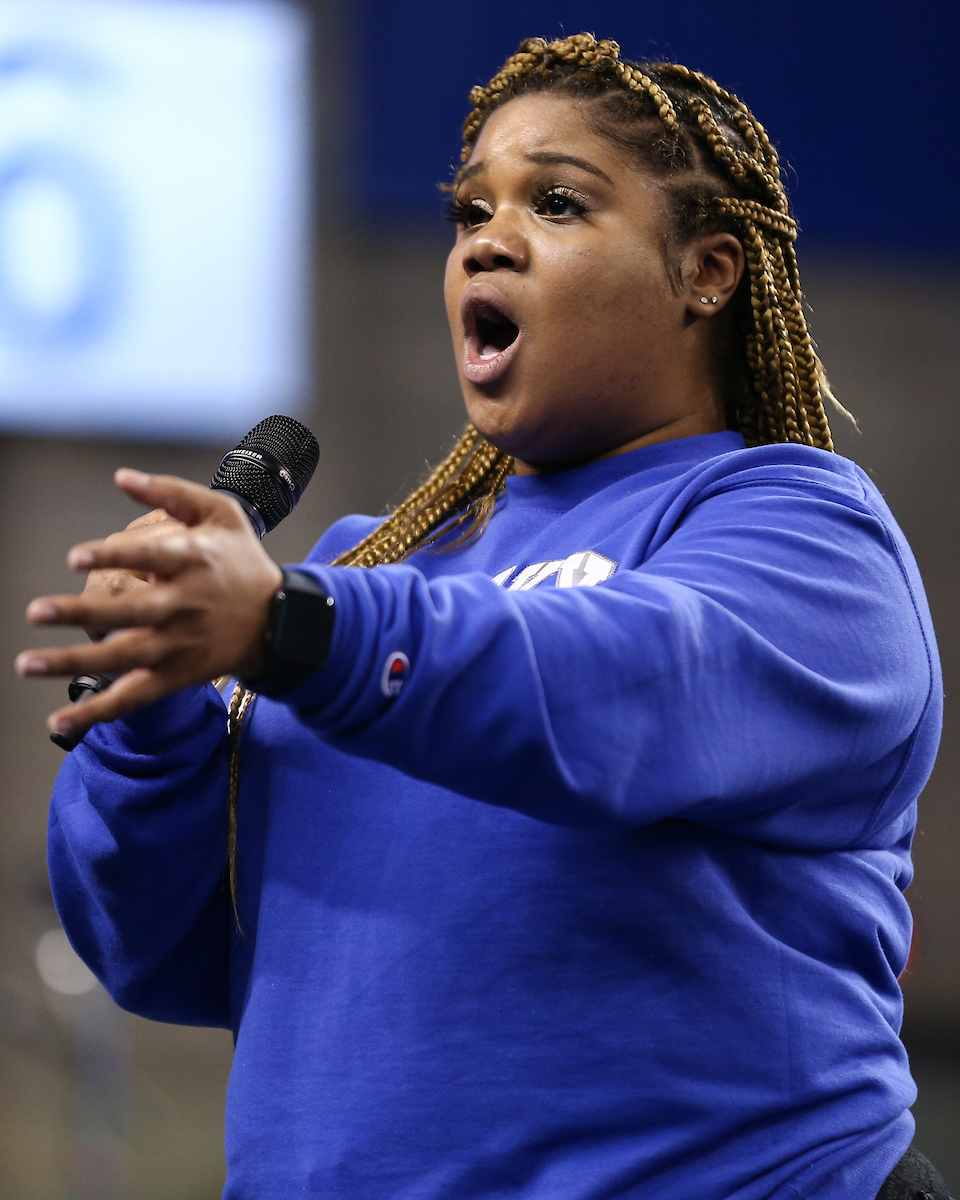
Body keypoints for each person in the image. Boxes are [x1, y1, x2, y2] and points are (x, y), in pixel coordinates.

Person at [16, 33, 952, 1200]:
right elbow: (167, 954)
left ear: (707, 272)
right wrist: (155, 727)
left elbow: (626, 687)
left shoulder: (805, 533)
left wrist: (297, 630)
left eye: (556, 203)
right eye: (469, 211)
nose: (485, 241)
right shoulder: (370, 565)